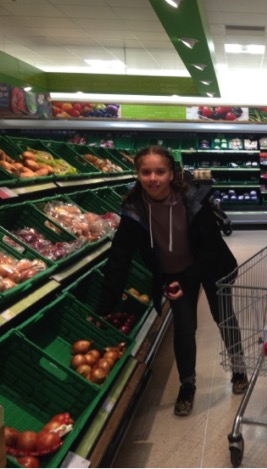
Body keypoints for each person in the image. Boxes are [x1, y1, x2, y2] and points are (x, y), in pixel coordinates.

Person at [97, 145, 248, 417]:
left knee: (223, 316)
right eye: (146, 172)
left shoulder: (192, 200)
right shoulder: (134, 210)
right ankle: (187, 385)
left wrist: (188, 277)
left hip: (210, 266)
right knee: (184, 327)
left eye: (159, 171)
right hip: (175, 273)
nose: (153, 178)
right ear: (138, 174)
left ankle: (239, 370)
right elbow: (120, 256)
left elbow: (211, 247)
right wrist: (105, 306)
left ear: (171, 174)